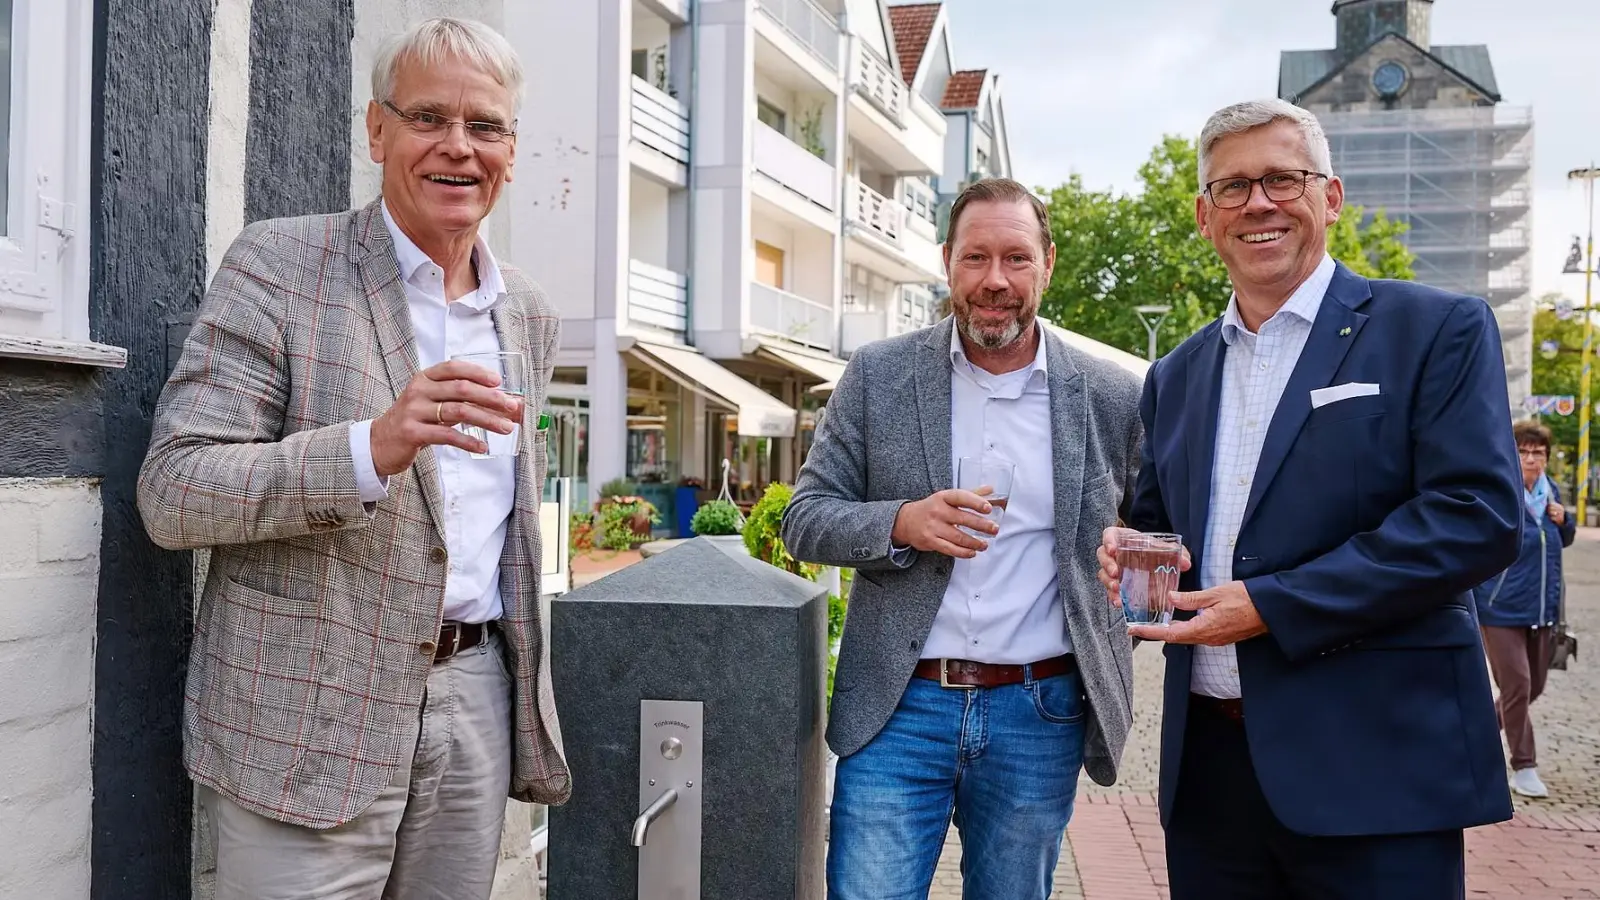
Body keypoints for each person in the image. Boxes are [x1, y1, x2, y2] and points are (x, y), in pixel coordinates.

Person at [137, 18, 567, 899]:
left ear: (512, 151)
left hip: (474, 701)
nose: (459, 146)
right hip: (308, 716)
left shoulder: (523, 309)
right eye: (428, 118)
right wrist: (369, 449)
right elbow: (174, 491)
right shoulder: (281, 263)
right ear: (377, 130)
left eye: (485, 126)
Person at [1098, 98, 1522, 899]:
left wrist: (1272, 604)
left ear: (1329, 197)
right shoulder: (1177, 376)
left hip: (1377, 769)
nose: (1258, 203)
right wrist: (1133, 553)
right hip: (1212, 780)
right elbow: (1162, 524)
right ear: (1203, 215)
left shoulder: (1437, 329)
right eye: (1232, 187)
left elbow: (1477, 518)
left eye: (1282, 180)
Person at [783, 177, 1144, 900]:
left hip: (1039, 712)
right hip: (898, 709)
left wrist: (1126, 595)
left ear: (1048, 263)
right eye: (975, 259)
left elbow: (1141, 540)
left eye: (1016, 259)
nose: (995, 281)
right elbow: (805, 518)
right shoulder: (879, 375)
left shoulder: (1110, 395)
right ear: (947, 260)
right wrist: (900, 522)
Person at [1473, 419, 1575, 799]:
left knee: (1533, 688)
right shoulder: (1501, 494)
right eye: (1524, 451)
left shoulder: (1553, 495)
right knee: (1517, 684)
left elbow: (1562, 540)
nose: (1532, 458)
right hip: (1499, 607)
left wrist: (1565, 522)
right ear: (1512, 454)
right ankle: (1524, 766)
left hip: (1542, 607)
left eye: (1538, 452)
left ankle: (1471, 733)